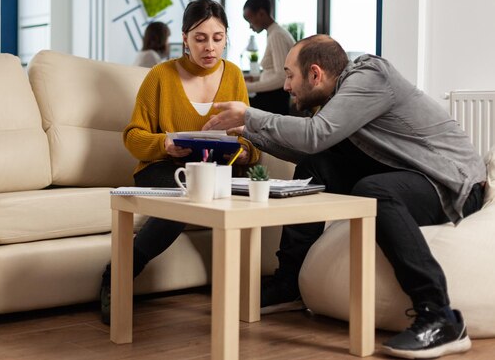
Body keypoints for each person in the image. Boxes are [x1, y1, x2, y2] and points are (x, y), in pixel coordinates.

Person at [202, 34, 486, 359]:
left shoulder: (369, 77)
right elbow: (312, 148)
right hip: (413, 175)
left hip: (452, 184)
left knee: (373, 192)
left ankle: (440, 315)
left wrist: (250, 114)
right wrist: (245, 133)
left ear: (315, 74)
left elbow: (314, 134)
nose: (285, 86)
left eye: (289, 75)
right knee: (315, 165)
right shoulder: (342, 100)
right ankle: (288, 283)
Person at [100, 0, 260, 325]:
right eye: (200, 38)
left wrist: (245, 152)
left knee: (247, 197)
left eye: (217, 38)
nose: (210, 47)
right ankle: (117, 275)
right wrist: (164, 142)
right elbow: (133, 136)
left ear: (227, 37)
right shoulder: (160, 76)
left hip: (216, 170)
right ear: (185, 38)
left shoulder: (233, 75)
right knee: (186, 196)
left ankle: (244, 292)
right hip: (164, 169)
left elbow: (249, 135)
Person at [242, 0, 295, 115]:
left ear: (261, 14)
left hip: (274, 101)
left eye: (250, 20)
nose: (250, 26)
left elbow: (282, 77)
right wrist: (255, 79)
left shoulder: (277, 35)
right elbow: (273, 71)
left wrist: (246, 87)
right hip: (272, 98)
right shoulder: (274, 33)